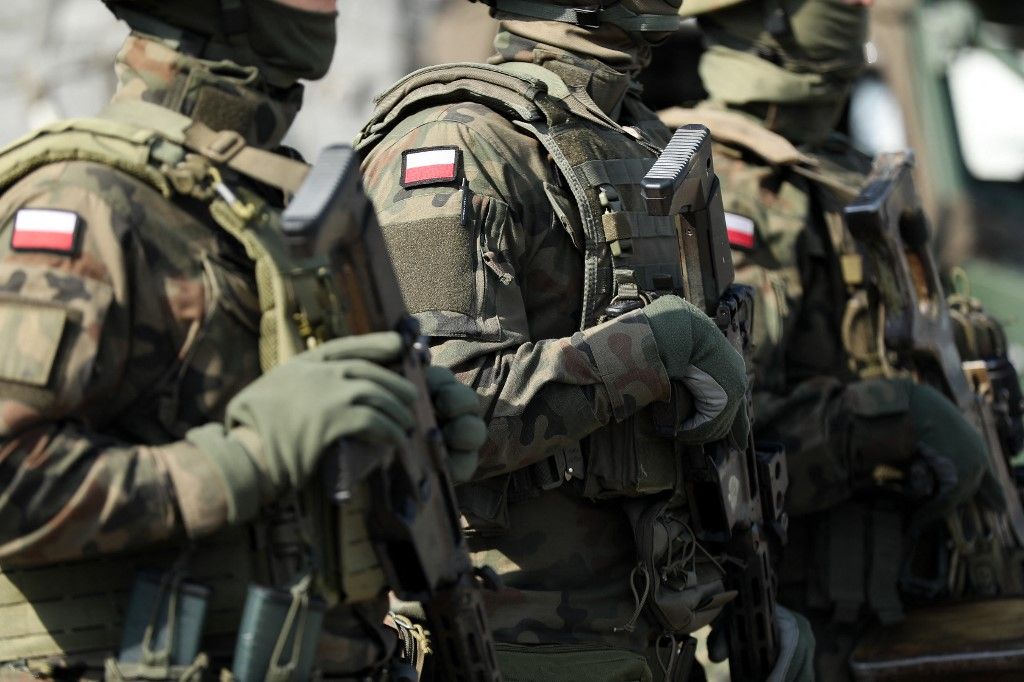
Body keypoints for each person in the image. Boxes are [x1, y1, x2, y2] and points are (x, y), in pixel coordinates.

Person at [0, 1, 486, 679]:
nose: (331, 4)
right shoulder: (84, 202)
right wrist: (243, 458)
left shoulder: (253, 202)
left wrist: (395, 427)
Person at [356, 1, 811, 679]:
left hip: (647, 637)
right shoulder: (460, 144)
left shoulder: (637, 133)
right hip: (512, 648)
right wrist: (651, 350)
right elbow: (440, 412)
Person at [660, 0, 1006, 677]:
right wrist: (890, 419)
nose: (857, 11)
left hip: (891, 590)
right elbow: (716, 431)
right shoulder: (715, 189)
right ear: (772, 19)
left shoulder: (832, 167)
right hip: (796, 610)